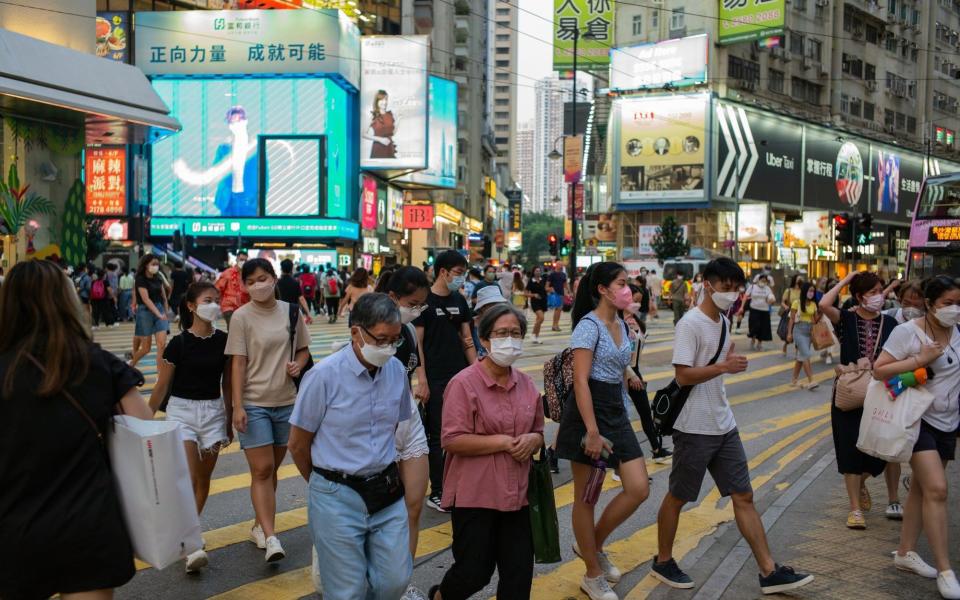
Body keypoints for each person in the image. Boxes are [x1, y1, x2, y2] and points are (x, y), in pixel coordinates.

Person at [652, 258, 814, 594]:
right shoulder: (690, 324)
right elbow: (683, 375)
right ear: (708, 284)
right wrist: (725, 367)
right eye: (726, 286)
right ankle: (663, 560)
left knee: (744, 495)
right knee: (680, 496)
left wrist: (725, 365)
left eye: (736, 287)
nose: (732, 292)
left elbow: (716, 366)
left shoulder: (724, 322)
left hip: (723, 424)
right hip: (693, 426)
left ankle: (769, 572)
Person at [0, 259, 153, 599]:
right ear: (67, 301)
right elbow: (145, 428)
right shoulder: (97, 362)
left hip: (12, 531)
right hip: (89, 525)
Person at [288, 293, 412, 600]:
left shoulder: (396, 371)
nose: (388, 348)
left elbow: (395, 426)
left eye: (395, 340)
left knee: (394, 581)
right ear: (356, 332)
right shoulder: (322, 377)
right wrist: (324, 486)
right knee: (347, 591)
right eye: (381, 339)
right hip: (336, 495)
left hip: (385, 489)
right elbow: (298, 444)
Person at [427, 304, 544, 600]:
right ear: (485, 339)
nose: (510, 339)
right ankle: (440, 596)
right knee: (473, 572)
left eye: (516, 333)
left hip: (518, 494)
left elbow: (539, 432)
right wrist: (504, 442)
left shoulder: (526, 384)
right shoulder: (464, 383)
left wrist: (533, 439)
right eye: (502, 333)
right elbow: (451, 440)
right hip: (476, 494)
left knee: (518, 575)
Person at [556, 261, 651, 600]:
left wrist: (628, 372)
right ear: (602, 289)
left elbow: (617, 356)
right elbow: (581, 380)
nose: (629, 289)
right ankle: (592, 575)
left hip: (615, 409)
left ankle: (591, 546)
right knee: (587, 497)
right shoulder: (588, 326)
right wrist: (592, 432)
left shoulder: (621, 324)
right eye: (622, 283)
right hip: (588, 414)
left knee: (639, 488)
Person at [874, 276, 960, 599]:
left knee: (922, 491)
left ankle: (905, 553)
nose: (955, 310)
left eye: (958, 303)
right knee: (937, 489)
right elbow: (880, 371)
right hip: (917, 419)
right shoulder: (907, 332)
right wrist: (920, 361)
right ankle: (946, 570)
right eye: (948, 303)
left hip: (948, 423)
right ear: (929, 303)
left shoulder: (959, 333)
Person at [227, 258, 311, 562]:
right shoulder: (241, 317)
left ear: (274, 279)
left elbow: (303, 349)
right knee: (261, 470)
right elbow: (237, 362)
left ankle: (259, 525)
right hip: (254, 402)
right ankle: (271, 536)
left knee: (270, 470)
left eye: (262, 278)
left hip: (287, 402)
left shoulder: (290, 311)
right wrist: (237, 406)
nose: (257, 285)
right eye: (250, 282)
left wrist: (297, 365)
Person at [148, 281, 231, 573]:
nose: (215, 305)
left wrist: (230, 418)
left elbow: (229, 384)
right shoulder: (178, 344)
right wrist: (141, 423)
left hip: (213, 412)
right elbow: (160, 389)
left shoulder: (224, 340)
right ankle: (190, 542)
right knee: (190, 476)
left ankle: (188, 534)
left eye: (217, 299)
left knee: (203, 481)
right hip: (181, 412)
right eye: (208, 300)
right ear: (192, 306)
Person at [819, 271, 896, 530]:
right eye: (872, 292)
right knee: (850, 450)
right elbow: (823, 305)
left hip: (882, 395)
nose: (878, 296)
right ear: (859, 297)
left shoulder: (891, 324)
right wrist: (846, 279)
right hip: (849, 395)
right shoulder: (846, 319)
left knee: (879, 455)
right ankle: (854, 509)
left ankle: (861, 483)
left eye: (880, 291)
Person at [413, 250, 477, 511]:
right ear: (443, 272)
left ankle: (457, 484)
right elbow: (417, 344)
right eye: (458, 273)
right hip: (436, 378)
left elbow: (467, 339)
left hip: (460, 376)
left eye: (463, 274)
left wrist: (477, 371)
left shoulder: (459, 300)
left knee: (462, 432)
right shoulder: (424, 302)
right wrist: (423, 380)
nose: (461, 279)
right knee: (438, 435)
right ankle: (438, 490)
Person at [130, 254, 170, 369]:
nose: (156, 266)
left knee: (161, 345)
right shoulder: (140, 279)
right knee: (146, 348)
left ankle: (160, 374)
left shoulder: (158, 278)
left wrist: (165, 312)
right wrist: (158, 313)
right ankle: (131, 364)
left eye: (157, 264)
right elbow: (146, 299)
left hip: (160, 310)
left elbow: (163, 297)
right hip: (145, 312)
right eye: (153, 264)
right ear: (146, 265)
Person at [786, 281, 819, 390]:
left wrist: (820, 312)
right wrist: (789, 333)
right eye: (810, 291)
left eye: (813, 291)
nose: (811, 293)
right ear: (805, 291)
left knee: (801, 357)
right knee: (806, 354)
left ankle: (794, 380)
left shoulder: (813, 304)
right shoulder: (797, 303)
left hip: (809, 332)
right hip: (799, 331)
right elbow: (791, 319)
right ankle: (811, 380)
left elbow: (815, 320)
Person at [471, 285, 509, 359]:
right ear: (482, 307)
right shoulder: (471, 324)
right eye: (492, 305)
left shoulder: (503, 322)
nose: (496, 308)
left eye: (499, 305)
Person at [215, 250, 250, 328]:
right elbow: (218, 288)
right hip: (229, 306)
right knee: (233, 328)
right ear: (236, 259)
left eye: (245, 260)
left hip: (243, 307)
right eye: (241, 260)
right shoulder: (228, 273)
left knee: (242, 330)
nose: (243, 262)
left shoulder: (248, 275)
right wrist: (216, 301)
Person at [742, 274, 776, 351]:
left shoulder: (767, 289)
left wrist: (772, 301)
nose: (763, 282)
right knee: (754, 326)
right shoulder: (752, 287)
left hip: (765, 310)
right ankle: (753, 339)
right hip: (754, 309)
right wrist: (742, 307)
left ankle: (759, 344)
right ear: (758, 280)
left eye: (765, 281)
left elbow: (772, 298)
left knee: (763, 328)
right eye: (762, 280)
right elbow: (745, 296)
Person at [277, 259, 314, 325]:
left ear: (281, 269)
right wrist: (308, 314)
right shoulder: (295, 283)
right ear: (291, 269)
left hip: (280, 311)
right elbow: (301, 299)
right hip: (293, 312)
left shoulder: (277, 283)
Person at [780, 274, 805, 356]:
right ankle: (785, 345)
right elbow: (783, 302)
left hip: (801, 314)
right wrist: (786, 307)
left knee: (798, 333)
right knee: (789, 331)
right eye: (798, 279)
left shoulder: (803, 291)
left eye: (801, 279)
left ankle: (797, 352)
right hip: (791, 313)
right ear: (795, 280)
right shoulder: (789, 290)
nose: (800, 280)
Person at [527, 266, 548, 344]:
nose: (538, 272)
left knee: (538, 320)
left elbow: (546, 288)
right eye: (536, 271)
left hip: (543, 301)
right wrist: (533, 295)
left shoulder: (543, 280)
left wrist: (549, 290)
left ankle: (536, 337)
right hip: (535, 302)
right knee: (541, 318)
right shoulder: (531, 281)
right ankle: (533, 334)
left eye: (539, 271)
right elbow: (525, 293)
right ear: (533, 272)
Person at [547, 266, 569, 331]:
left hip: (561, 294)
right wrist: (551, 289)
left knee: (558, 310)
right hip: (555, 295)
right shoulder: (552, 274)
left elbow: (565, 284)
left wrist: (568, 292)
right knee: (557, 310)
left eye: (561, 265)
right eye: (560, 264)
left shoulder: (563, 274)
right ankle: (555, 325)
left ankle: (555, 325)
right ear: (557, 265)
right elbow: (547, 286)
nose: (561, 266)